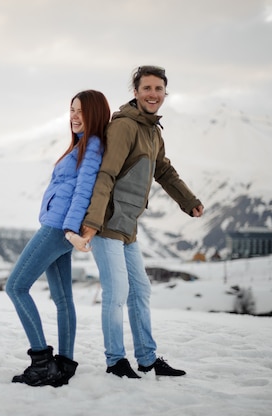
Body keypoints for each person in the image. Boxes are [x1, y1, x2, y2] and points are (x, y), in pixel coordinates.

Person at [81, 66, 204, 379]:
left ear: (164, 94)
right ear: (135, 92)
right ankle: (115, 361)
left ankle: (147, 359)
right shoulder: (124, 126)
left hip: (128, 227)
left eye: (158, 89)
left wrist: (189, 202)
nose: (153, 94)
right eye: (146, 88)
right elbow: (106, 174)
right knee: (117, 293)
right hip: (107, 223)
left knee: (140, 292)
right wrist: (93, 221)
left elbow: (164, 171)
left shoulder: (152, 130)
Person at [5, 89, 111, 387]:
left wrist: (68, 229)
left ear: (94, 114)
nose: (74, 116)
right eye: (71, 110)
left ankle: (41, 363)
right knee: (63, 299)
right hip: (61, 228)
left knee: (15, 286)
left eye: (80, 111)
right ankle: (64, 363)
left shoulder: (91, 146)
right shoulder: (80, 145)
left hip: (57, 229)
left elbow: (83, 190)